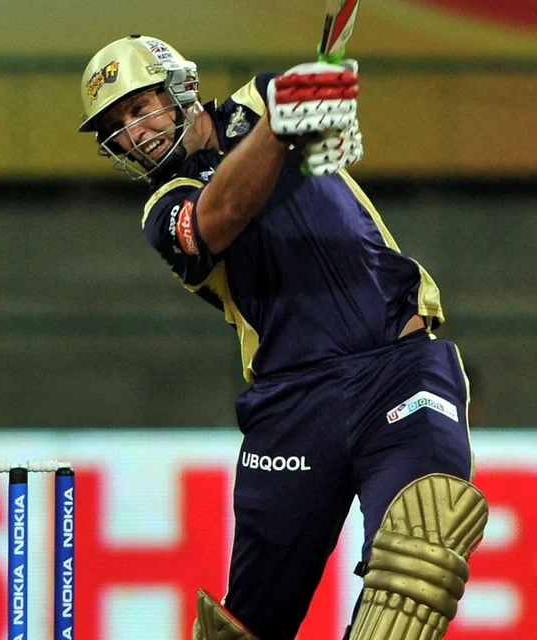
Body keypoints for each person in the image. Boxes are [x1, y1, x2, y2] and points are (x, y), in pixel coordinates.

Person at [78, 35, 488, 640]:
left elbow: (322, 116)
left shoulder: (255, 101)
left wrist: (324, 113)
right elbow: (222, 215)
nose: (136, 134)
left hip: (400, 367)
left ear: (179, 85)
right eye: (117, 127)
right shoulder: (164, 207)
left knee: (421, 546)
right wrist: (284, 126)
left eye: (141, 108)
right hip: (294, 406)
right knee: (249, 625)